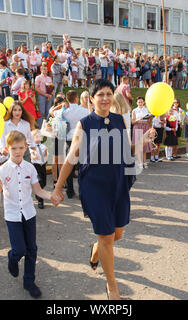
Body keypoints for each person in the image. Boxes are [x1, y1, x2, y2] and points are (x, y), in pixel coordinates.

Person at [50, 79, 155, 300]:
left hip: (117, 184)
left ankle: (96, 249)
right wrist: (58, 188)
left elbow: (126, 151)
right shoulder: (85, 124)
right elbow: (70, 159)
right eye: (100, 94)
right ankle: (112, 286)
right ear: (92, 98)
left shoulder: (119, 121)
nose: (105, 98)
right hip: (94, 187)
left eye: (108, 93)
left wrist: (143, 140)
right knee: (107, 237)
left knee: (116, 234)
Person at [0, 131, 52, 299]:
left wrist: (52, 196)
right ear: (7, 149)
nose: (17, 152)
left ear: (26, 148)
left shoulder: (30, 167)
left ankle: (29, 281)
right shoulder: (3, 170)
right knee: (19, 249)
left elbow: (38, 191)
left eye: (20, 148)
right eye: (13, 148)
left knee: (32, 249)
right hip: (12, 216)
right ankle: (12, 258)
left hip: (29, 214)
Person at [62, 90, 90, 198]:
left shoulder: (64, 112)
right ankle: (82, 190)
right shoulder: (83, 111)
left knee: (70, 166)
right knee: (82, 166)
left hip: (69, 139)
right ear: (76, 98)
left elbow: (52, 113)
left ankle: (70, 190)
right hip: (81, 139)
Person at [131, 96, 152, 168]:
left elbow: (149, 121)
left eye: (141, 102)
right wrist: (139, 119)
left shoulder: (147, 110)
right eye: (139, 102)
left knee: (144, 145)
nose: (140, 103)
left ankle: (144, 162)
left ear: (144, 102)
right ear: (137, 103)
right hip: (137, 127)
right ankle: (139, 162)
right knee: (139, 145)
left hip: (145, 127)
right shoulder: (134, 110)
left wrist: (150, 120)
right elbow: (133, 122)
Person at [29, 129, 48, 209]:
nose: (38, 138)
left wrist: (45, 157)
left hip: (42, 165)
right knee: (39, 182)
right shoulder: (32, 148)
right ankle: (41, 200)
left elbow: (46, 155)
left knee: (44, 182)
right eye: (36, 136)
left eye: (39, 136)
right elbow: (32, 156)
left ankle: (38, 193)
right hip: (35, 165)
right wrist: (35, 155)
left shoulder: (44, 146)